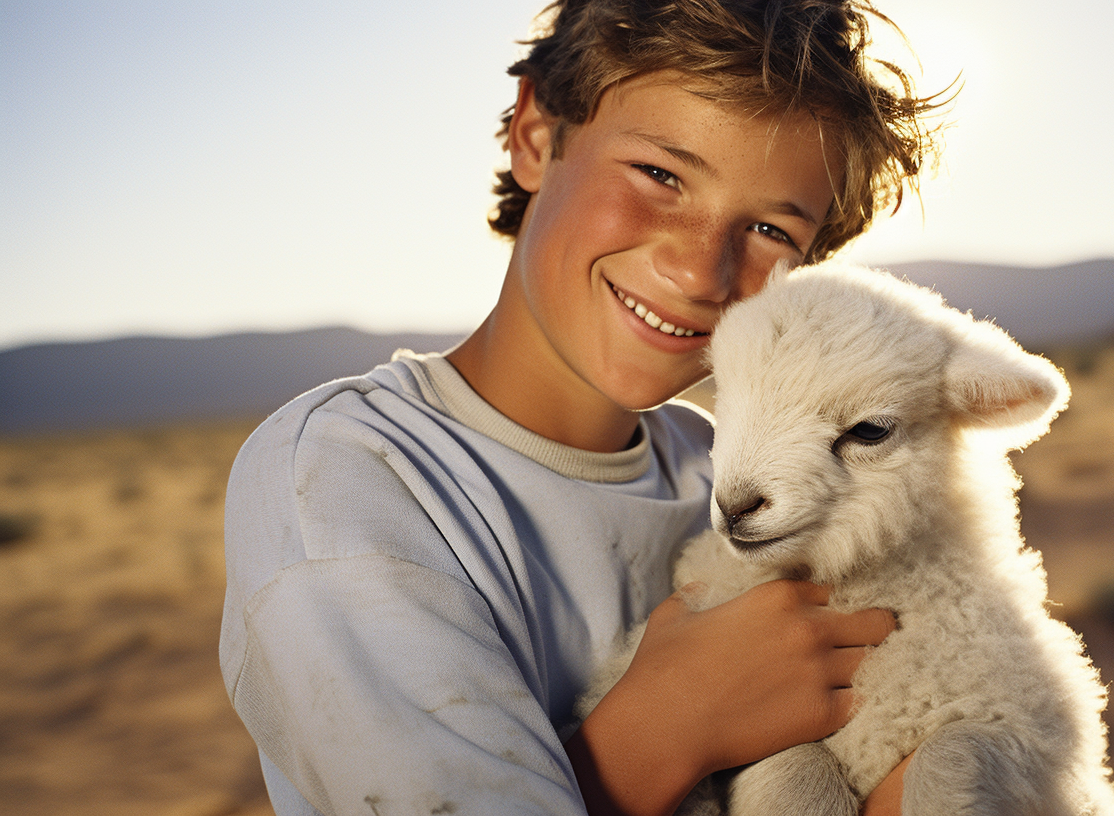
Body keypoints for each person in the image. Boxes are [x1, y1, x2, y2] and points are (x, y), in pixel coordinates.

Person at [220, 1, 941, 813]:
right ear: (536, 134)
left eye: (772, 228)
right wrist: (672, 724)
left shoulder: (736, 473)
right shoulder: (347, 475)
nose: (703, 273)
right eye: (661, 175)